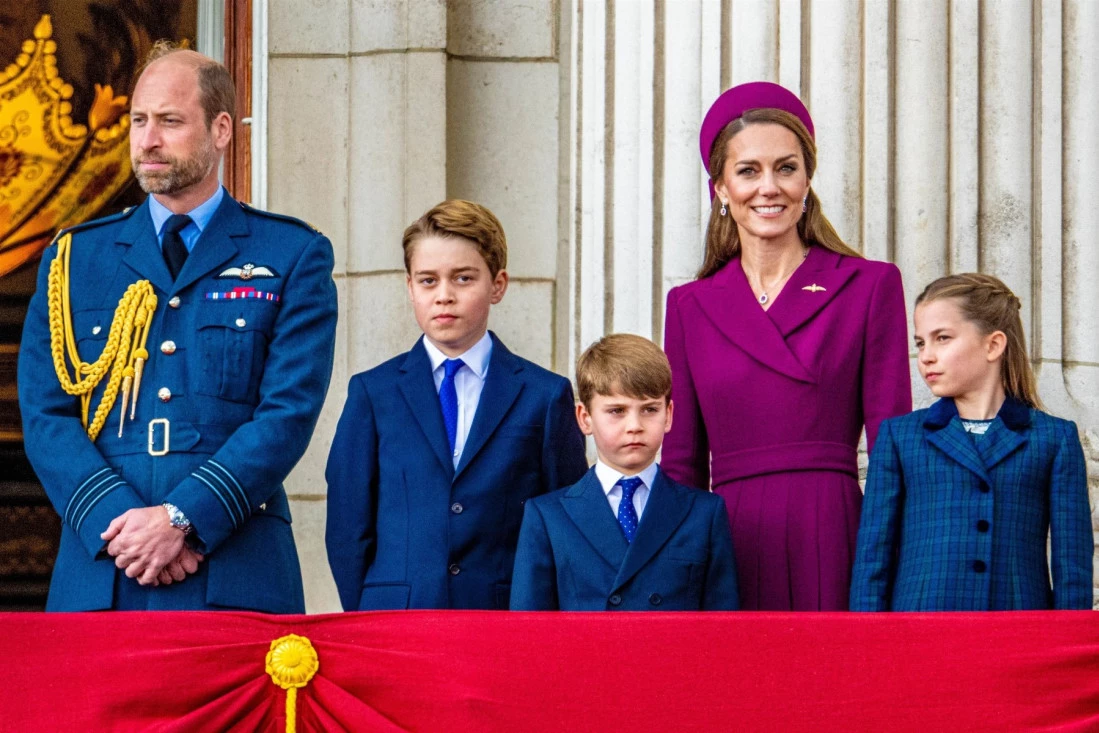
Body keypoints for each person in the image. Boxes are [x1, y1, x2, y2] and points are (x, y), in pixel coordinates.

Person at [17, 42, 338, 611]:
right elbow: (46, 415)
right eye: (139, 121)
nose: (147, 140)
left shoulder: (291, 254)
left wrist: (184, 518)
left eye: (169, 121)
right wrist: (122, 524)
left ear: (221, 130)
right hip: (105, 566)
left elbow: (287, 414)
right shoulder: (74, 259)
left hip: (235, 568)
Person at [661, 81, 912, 611]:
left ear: (807, 179)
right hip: (727, 542)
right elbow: (682, 464)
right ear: (721, 188)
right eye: (748, 171)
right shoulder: (689, 305)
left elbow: (892, 451)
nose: (769, 188)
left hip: (835, 533)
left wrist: (886, 567)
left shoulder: (869, 286)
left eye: (786, 168)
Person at [325, 199, 588, 611]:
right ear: (410, 287)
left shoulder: (545, 395)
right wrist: (367, 617)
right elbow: (347, 525)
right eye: (428, 281)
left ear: (497, 285)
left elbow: (565, 525)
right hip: (395, 620)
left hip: (502, 620)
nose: (444, 296)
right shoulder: (372, 393)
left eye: (463, 278)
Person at [850, 274, 1093, 610]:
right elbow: (872, 559)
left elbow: (1073, 569)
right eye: (921, 343)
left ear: (993, 345)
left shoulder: (1053, 438)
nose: (926, 356)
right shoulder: (900, 436)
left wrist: (1067, 638)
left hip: (1017, 628)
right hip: (920, 627)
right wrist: (869, 635)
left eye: (942, 338)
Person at [510, 334, 739, 611]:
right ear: (585, 417)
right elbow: (529, 627)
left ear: (668, 415)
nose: (634, 426)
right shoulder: (548, 516)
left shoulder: (704, 514)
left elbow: (722, 624)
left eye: (649, 409)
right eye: (617, 410)